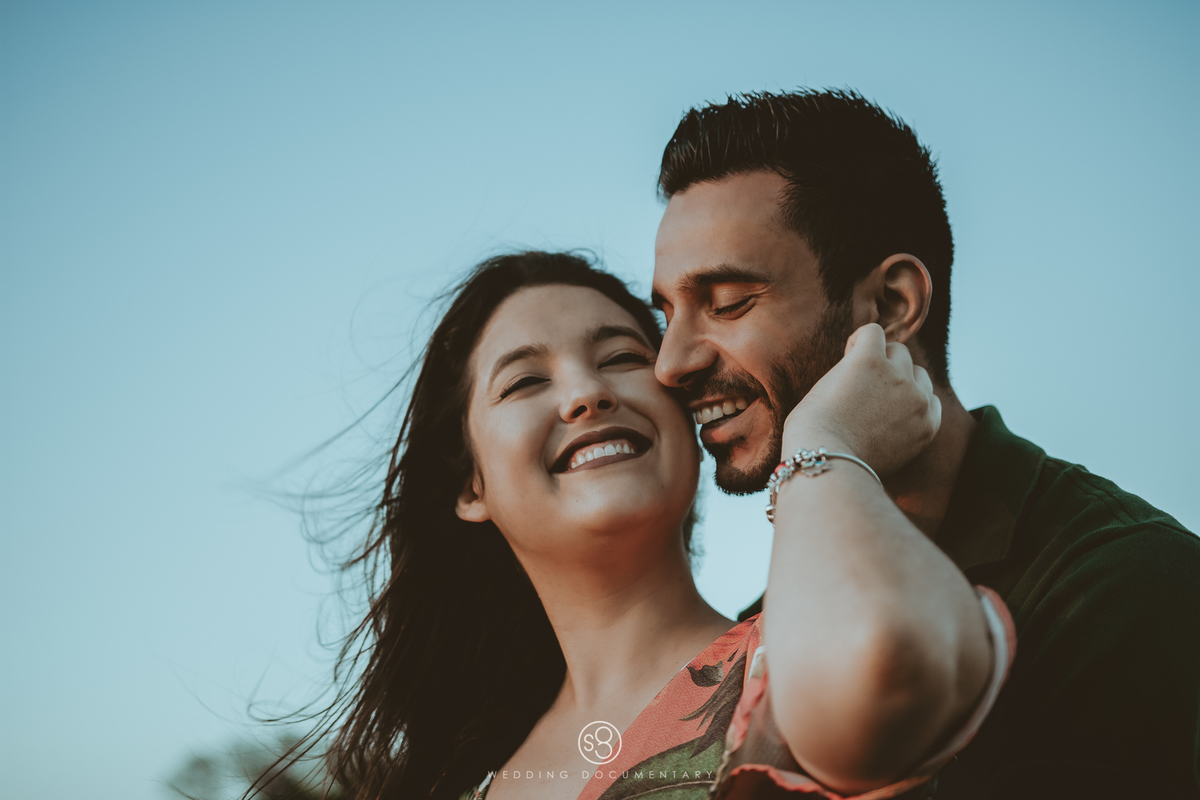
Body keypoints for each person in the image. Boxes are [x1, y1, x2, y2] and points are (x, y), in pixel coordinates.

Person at [650, 89, 1200, 799]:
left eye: (726, 303)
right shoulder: (758, 629)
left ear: (890, 306)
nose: (671, 363)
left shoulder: (1123, 584)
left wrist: (821, 447)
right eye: (665, 313)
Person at [317, 250, 1014, 800]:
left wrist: (825, 444)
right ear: (471, 484)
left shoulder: (800, 655)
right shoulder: (470, 782)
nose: (589, 394)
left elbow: (894, 664)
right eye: (526, 381)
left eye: (622, 358)